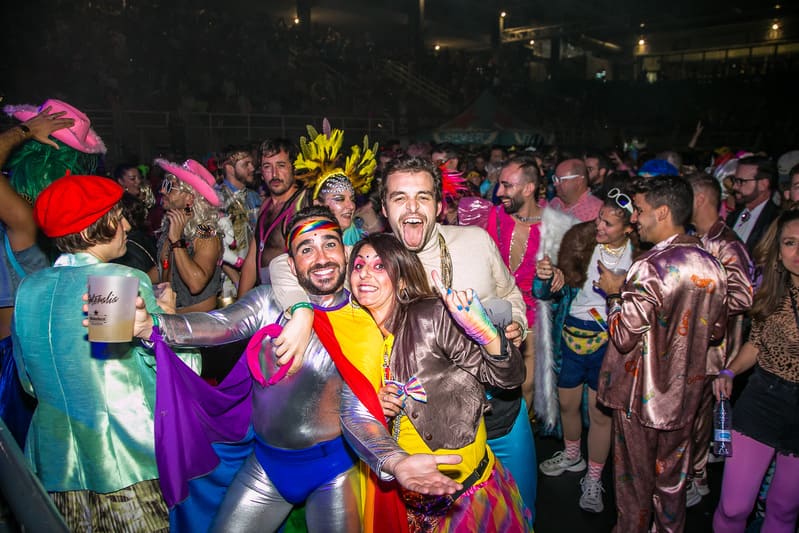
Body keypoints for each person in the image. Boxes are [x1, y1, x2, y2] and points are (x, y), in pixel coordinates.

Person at [129, 206, 461, 532]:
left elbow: (356, 413)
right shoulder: (268, 302)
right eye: (307, 248)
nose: (321, 258)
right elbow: (219, 325)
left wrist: (394, 461)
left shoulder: (361, 326)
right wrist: (153, 326)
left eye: (329, 244)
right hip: (266, 466)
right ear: (291, 263)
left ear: (344, 254)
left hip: (333, 473)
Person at [270, 156, 538, 516]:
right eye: (399, 198)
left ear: (439, 205)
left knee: (517, 510)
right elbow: (283, 265)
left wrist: (515, 327)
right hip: (429, 425)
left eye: (423, 197)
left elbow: (510, 295)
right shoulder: (366, 257)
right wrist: (302, 314)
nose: (412, 207)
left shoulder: (475, 242)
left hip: (500, 406)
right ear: (384, 208)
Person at [12, 173, 200, 531]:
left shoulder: (30, 289)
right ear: (88, 232)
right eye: (117, 216)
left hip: (54, 467)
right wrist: (170, 321)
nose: (128, 224)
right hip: (123, 462)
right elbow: (170, 375)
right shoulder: (112, 284)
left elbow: (29, 382)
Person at [340, 233, 532, 531]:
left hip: (463, 495)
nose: (365, 273)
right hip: (402, 498)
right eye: (359, 265)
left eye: (379, 266)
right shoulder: (356, 335)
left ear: (401, 280)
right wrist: (373, 407)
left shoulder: (431, 316)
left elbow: (506, 379)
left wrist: (488, 337)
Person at [595, 175, 727, 532]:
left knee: (633, 488)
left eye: (640, 211)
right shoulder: (713, 264)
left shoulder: (649, 266)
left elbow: (623, 335)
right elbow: (716, 331)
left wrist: (612, 294)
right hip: (685, 397)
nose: (635, 218)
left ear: (663, 212)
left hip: (639, 398)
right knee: (672, 486)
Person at [533, 189, 636, 513]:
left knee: (599, 414)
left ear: (629, 229)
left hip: (609, 342)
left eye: (607, 223)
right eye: (598, 218)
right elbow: (547, 293)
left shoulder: (639, 257)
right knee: (567, 404)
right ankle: (572, 455)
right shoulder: (580, 242)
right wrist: (549, 277)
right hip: (571, 336)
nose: (598, 226)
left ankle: (593, 477)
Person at [0, 103, 83, 447]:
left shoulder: (26, 223)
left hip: (16, 370)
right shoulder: (53, 229)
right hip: (38, 365)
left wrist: (24, 132)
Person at [712, 208, 799, 533]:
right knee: (735, 508)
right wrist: (729, 372)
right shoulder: (771, 291)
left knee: (783, 509)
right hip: (763, 399)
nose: (797, 252)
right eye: (790, 243)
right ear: (779, 249)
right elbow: (757, 344)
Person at [686, 173, 754, 507]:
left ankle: (697, 481)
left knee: (698, 417)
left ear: (699, 199)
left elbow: (743, 296)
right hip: (688, 347)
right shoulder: (693, 238)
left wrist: (694, 299)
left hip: (713, 351)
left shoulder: (727, 244)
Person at [238, 138, 311, 296]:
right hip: (265, 295)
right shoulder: (265, 205)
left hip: (291, 299)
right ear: (262, 173)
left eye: (281, 165)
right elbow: (252, 259)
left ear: (294, 168)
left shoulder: (302, 205)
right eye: (267, 167)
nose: (274, 174)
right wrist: (238, 309)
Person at [293, 121, 377, 246]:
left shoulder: (360, 240)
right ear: (318, 204)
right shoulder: (305, 243)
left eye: (352, 199)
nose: (351, 206)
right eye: (339, 199)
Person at [155, 158, 222, 313]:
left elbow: (196, 284)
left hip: (199, 325)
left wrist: (177, 241)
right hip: (172, 318)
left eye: (170, 187)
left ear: (189, 198)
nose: (162, 191)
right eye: (164, 185)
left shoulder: (206, 231)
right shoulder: (172, 226)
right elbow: (163, 267)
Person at [726, 155, 781, 255]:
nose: (734, 186)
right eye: (734, 180)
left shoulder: (776, 221)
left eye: (741, 181)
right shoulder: (732, 217)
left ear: (763, 184)